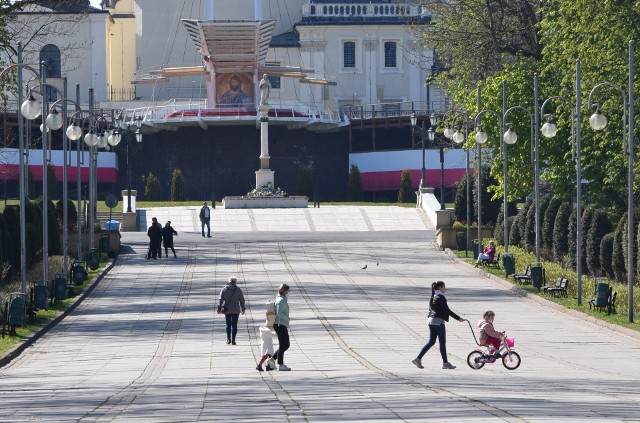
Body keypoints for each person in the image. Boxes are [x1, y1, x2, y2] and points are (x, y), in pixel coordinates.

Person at [412, 281, 465, 370]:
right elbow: (447, 310)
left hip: (431, 321)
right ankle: (445, 363)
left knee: (431, 342)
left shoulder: (434, 296)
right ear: (440, 287)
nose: (445, 288)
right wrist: (458, 318)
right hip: (438, 322)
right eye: (444, 286)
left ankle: (418, 359)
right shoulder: (440, 297)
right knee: (442, 343)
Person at [217, 276, 245, 345]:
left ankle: (228, 339)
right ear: (235, 282)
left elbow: (220, 299)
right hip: (236, 310)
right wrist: (243, 308)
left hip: (227, 310)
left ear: (229, 281)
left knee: (228, 324)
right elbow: (242, 300)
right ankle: (233, 340)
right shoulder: (238, 290)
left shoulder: (224, 289)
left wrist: (219, 308)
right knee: (234, 325)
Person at [271, 283, 291, 371]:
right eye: (287, 290)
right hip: (280, 324)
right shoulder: (281, 300)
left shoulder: (281, 298)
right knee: (284, 344)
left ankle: (272, 359)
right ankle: (281, 364)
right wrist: (287, 318)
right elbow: (279, 313)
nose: (288, 292)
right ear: (284, 290)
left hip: (281, 324)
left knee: (285, 344)